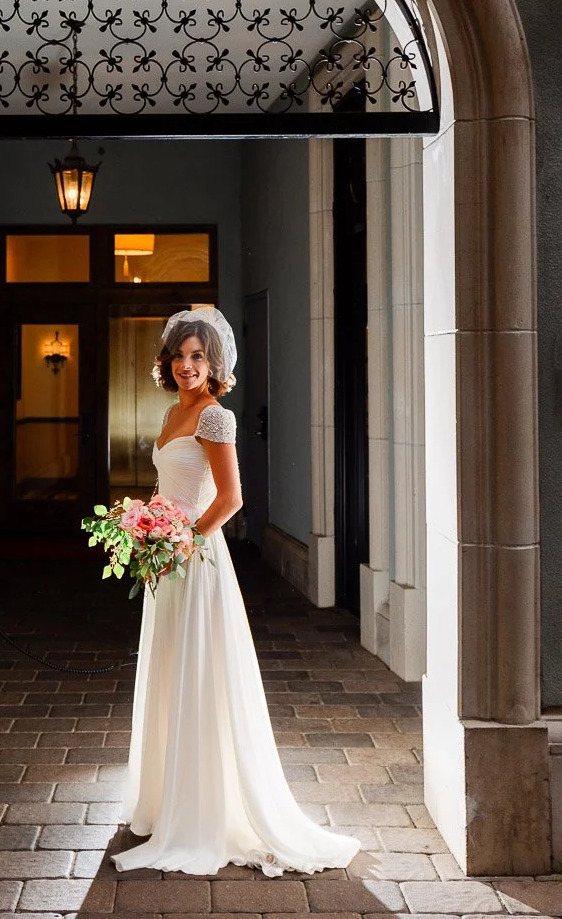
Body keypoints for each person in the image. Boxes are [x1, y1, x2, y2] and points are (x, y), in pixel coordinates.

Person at [112, 307, 362, 877]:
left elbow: (230, 499)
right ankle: (164, 798)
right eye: (179, 355)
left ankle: (201, 812)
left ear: (214, 363)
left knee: (199, 672)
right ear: (167, 361)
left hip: (196, 562)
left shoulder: (214, 418)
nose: (186, 365)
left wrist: (182, 541)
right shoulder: (174, 411)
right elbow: (168, 484)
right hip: (167, 561)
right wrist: (145, 524)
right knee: (171, 668)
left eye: (197, 356)